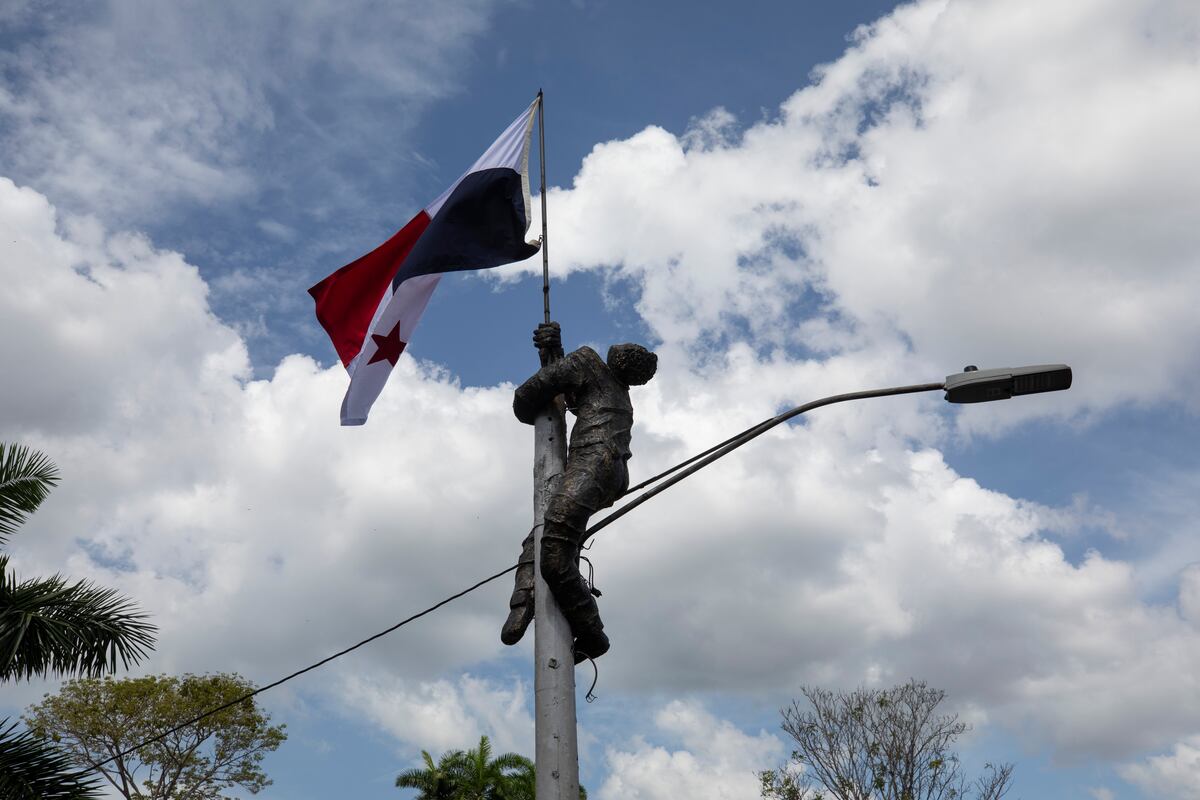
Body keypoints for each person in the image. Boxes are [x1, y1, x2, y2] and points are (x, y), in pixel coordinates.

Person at [502, 321, 658, 661]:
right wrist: (553, 352)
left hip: (592, 467)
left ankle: (592, 632)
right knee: (543, 533)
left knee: (554, 553)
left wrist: (554, 361)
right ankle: (523, 601)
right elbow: (569, 389)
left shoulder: (587, 361)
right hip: (609, 475)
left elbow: (527, 398)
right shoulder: (616, 390)